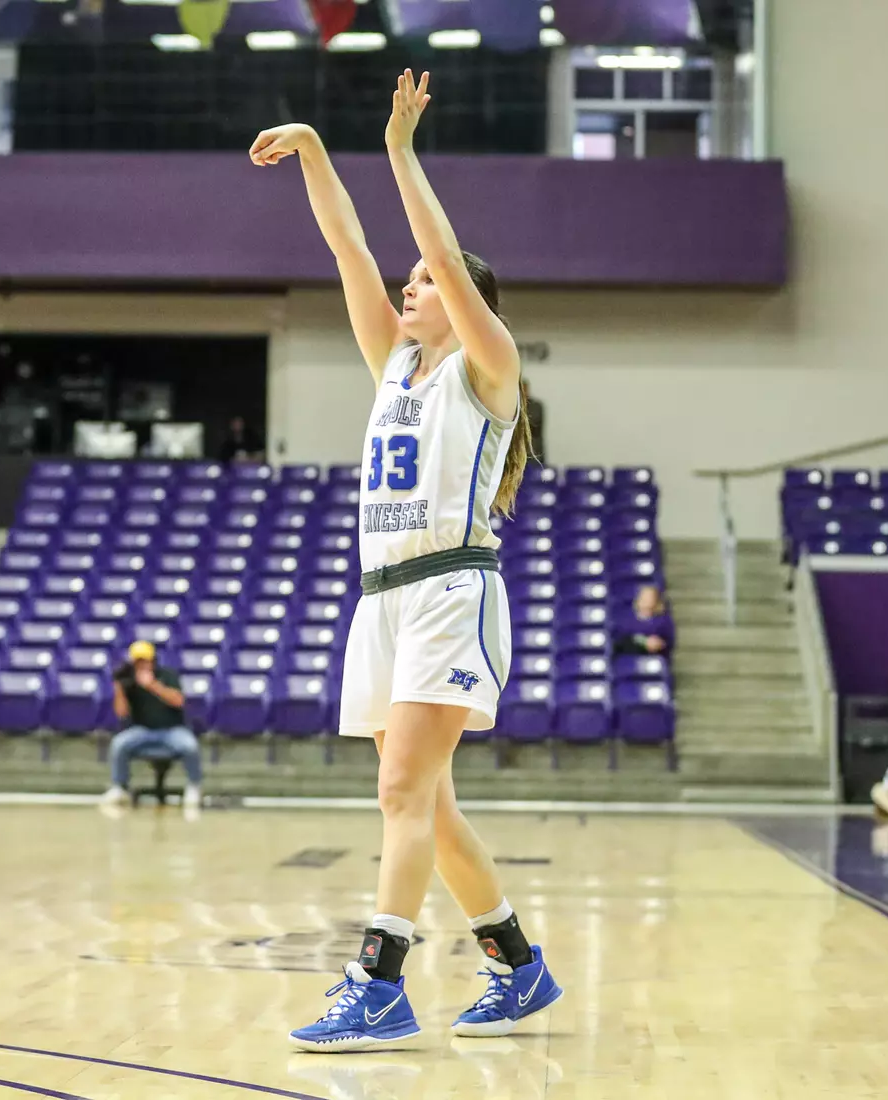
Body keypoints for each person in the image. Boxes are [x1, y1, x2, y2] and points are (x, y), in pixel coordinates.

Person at [250, 69, 561, 1054]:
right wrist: (309, 149)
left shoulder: (488, 364)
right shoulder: (393, 359)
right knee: (427, 801)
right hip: (381, 595)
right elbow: (347, 244)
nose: (409, 284)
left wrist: (398, 152)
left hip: (448, 587)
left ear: (463, 299)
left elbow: (432, 250)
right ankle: (516, 962)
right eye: (414, 282)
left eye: (426, 281)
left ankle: (379, 978)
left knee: (399, 794)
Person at [101, 642, 202, 813]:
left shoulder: (168, 675)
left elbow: (179, 701)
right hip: (143, 730)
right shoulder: (129, 681)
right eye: (138, 661)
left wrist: (152, 685)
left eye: (145, 660)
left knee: (190, 746)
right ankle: (120, 786)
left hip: (172, 730)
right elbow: (122, 713)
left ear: (153, 660)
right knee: (119, 744)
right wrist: (119, 689)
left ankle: (194, 786)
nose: (142, 665)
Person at [613, 585, 675, 657]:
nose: (646, 602)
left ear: (656, 601)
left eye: (650, 599)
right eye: (644, 598)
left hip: (652, 659)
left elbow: (668, 642)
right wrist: (644, 641)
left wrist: (658, 643)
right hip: (626, 656)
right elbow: (618, 638)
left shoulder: (663, 621)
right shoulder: (626, 617)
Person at [522, 380, 545, 463]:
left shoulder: (536, 406)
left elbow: (534, 425)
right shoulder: (512, 406)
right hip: (516, 452)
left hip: (533, 452)